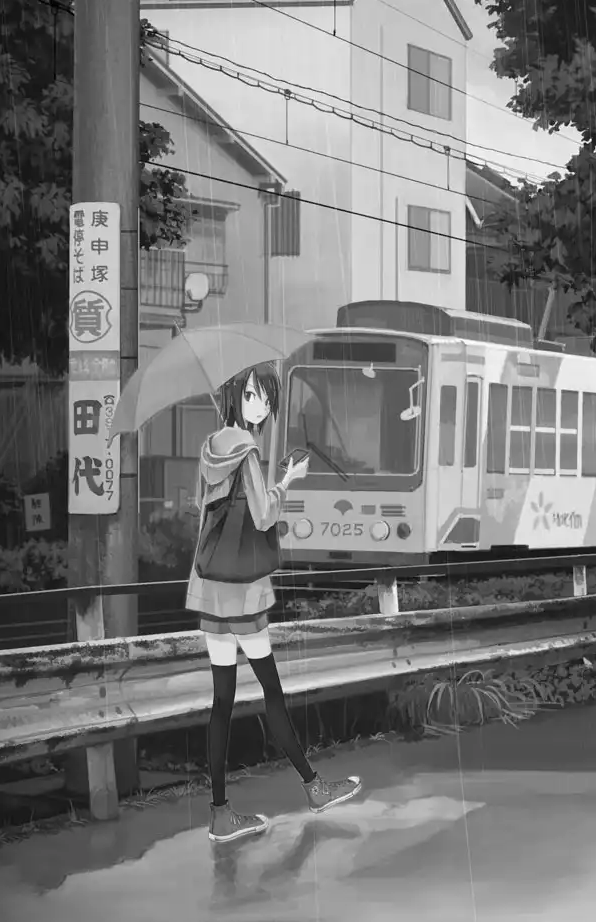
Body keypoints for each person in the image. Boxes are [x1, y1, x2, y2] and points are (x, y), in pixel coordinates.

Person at [188, 362, 361, 844]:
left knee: (222, 701)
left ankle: (220, 813)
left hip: (210, 589)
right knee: (272, 692)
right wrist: (288, 480)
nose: (260, 406)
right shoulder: (245, 451)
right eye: (251, 395)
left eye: (265, 397)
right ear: (234, 397)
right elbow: (264, 516)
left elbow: (197, 508)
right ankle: (314, 787)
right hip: (242, 590)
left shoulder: (211, 447)